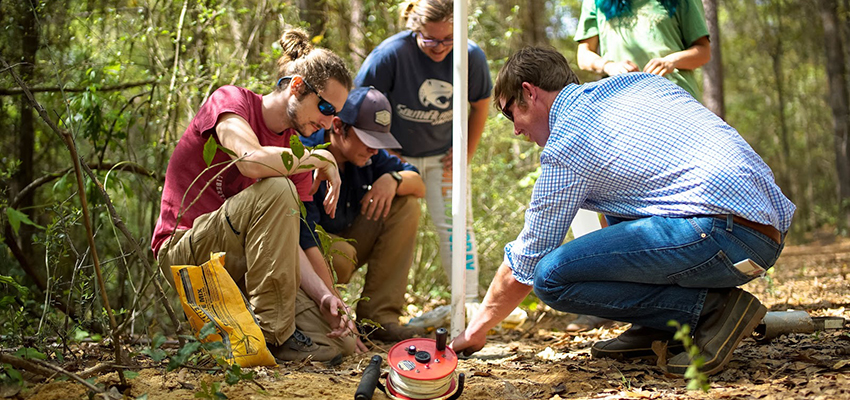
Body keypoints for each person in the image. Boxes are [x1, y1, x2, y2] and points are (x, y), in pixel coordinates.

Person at [450, 47, 795, 377]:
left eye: (512, 112)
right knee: (615, 207)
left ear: (530, 91)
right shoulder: (634, 85)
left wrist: (476, 329)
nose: (516, 129)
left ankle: (712, 312)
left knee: (549, 277)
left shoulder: (570, 141)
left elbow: (525, 261)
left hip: (721, 233)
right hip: (762, 233)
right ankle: (657, 327)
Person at [152, 28, 359, 363]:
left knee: (337, 343)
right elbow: (250, 161)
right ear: (296, 87)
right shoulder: (231, 102)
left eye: (335, 114)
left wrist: (327, 296)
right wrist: (319, 157)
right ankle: (265, 335)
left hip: (244, 264)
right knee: (279, 187)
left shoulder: (294, 151)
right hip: (186, 253)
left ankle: (240, 335)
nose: (327, 121)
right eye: (323, 106)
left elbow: (294, 240)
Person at [354, 0, 492, 301]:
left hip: (444, 158)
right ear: (414, 28)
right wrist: (388, 154)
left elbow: (480, 105)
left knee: (456, 226)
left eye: (448, 39)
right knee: (390, 223)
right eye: (430, 39)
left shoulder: (470, 55)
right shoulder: (390, 55)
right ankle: (381, 308)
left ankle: (465, 303)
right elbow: (360, 104)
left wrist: (464, 152)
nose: (440, 47)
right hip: (399, 157)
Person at [300, 87, 427, 343]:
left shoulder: (372, 157)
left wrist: (393, 179)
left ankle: (379, 318)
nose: (373, 149)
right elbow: (303, 238)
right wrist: (339, 309)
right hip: (310, 253)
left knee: (406, 205)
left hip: (352, 236)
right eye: (368, 139)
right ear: (338, 126)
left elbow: (419, 185)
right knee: (342, 256)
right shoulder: (307, 154)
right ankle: (318, 314)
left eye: (378, 142)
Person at [575, 0, 710, 99]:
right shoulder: (595, 2)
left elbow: (703, 51)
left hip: (676, 97)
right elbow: (583, 56)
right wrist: (609, 66)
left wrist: (671, 61)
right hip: (620, 100)